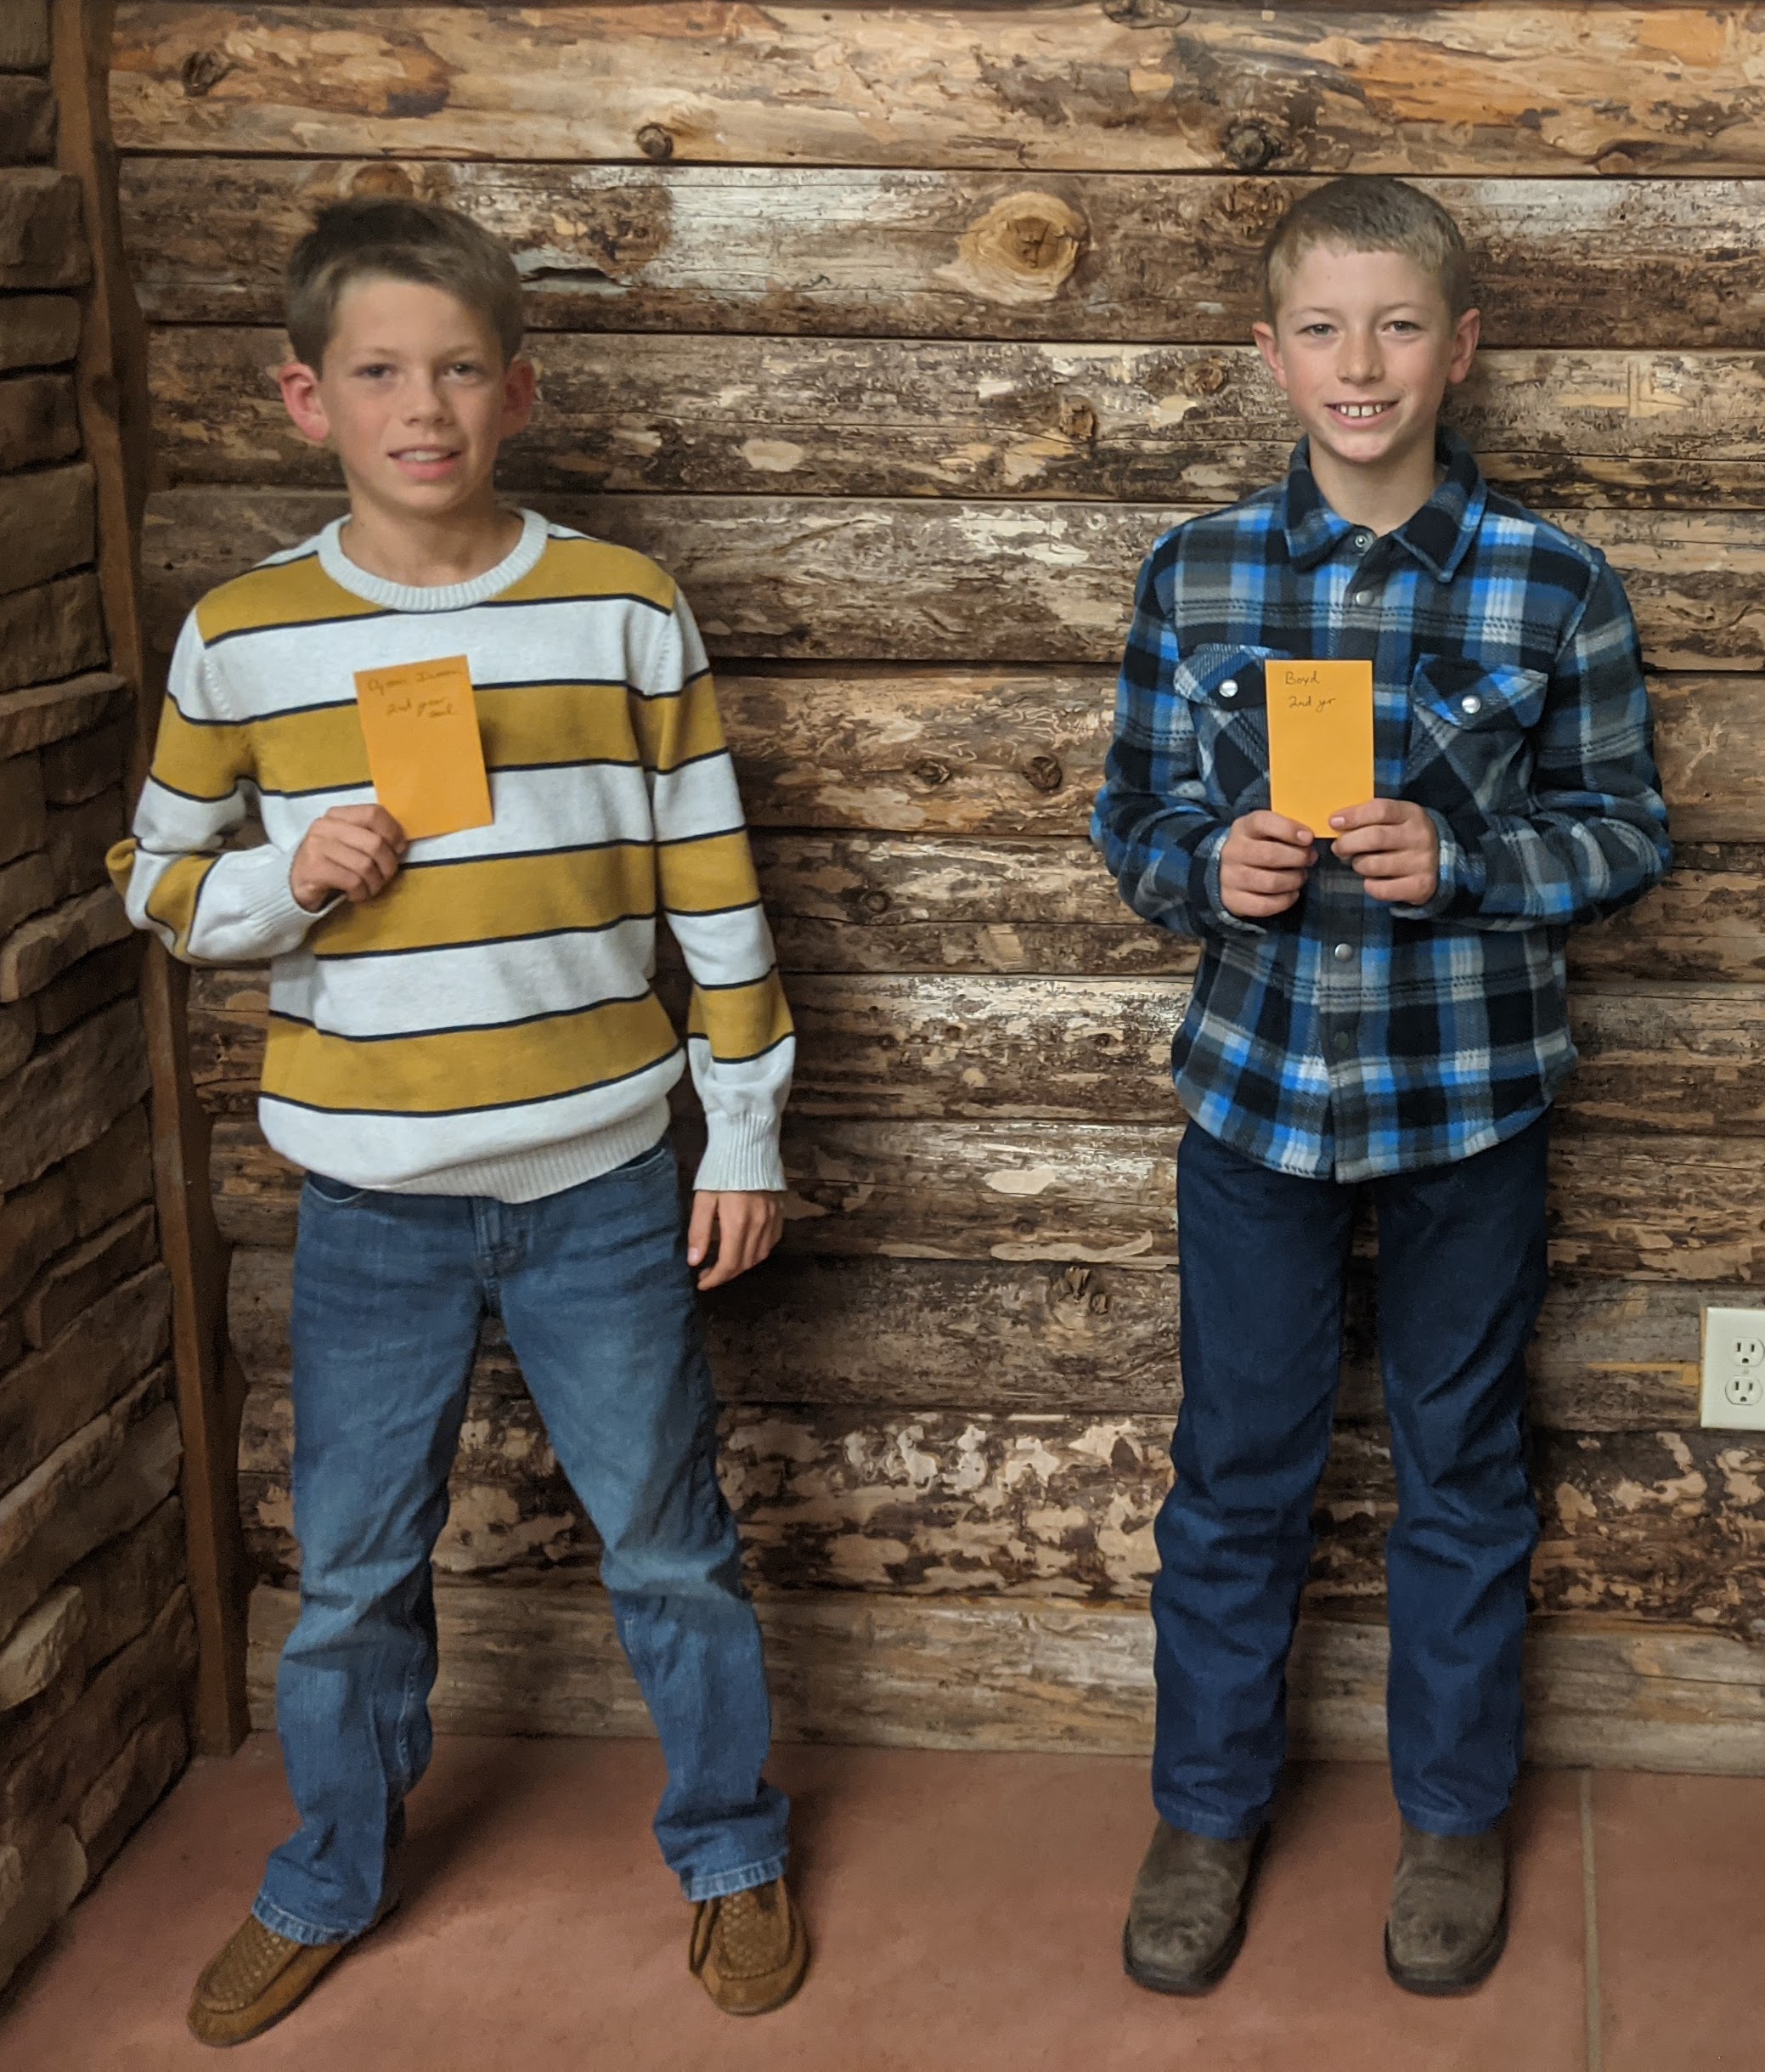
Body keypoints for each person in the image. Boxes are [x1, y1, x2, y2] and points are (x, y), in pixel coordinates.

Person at [109, 197, 808, 2044]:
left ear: (518, 389)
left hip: (604, 1175)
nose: (420, 407)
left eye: (457, 371)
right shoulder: (242, 635)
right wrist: (281, 880)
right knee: (351, 1576)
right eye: (375, 373)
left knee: (669, 1546)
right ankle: (327, 1873)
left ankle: (730, 1847)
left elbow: (713, 876)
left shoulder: (622, 604)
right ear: (304, 398)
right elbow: (154, 880)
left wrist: (741, 1128)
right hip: (371, 1199)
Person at [1091, 176, 1669, 1999]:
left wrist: (1471, 861)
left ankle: (1452, 1813)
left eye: (1399, 324)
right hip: (1254, 1106)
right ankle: (1204, 1811)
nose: (1362, 363)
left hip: (1468, 1110)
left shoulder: (1554, 580)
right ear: (1268, 355)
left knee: (1464, 1469)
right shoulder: (1192, 573)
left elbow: (1627, 833)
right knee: (1234, 1471)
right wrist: (1207, 871)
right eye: (1323, 328)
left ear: (1460, 347)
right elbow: (1132, 819)